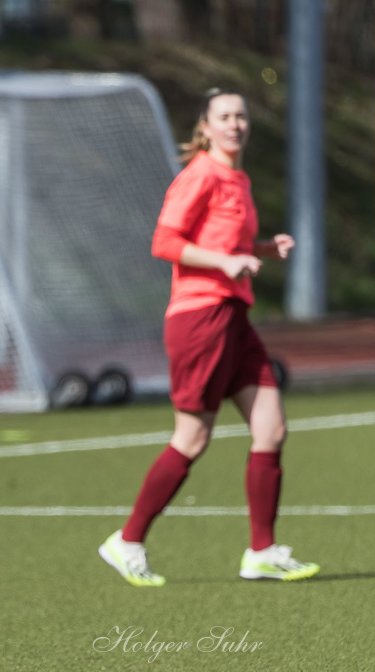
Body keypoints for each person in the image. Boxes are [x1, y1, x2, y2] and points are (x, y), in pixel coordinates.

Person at [97, 88, 319, 587]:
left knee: (271, 428)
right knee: (192, 437)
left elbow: (225, 243)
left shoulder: (237, 177)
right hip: (201, 319)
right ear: (207, 126)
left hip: (234, 316)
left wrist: (264, 249)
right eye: (225, 116)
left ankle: (261, 551)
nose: (235, 124)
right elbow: (166, 242)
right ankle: (127, 541)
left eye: (242, 115)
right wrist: (227, 262)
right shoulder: (200, 174)